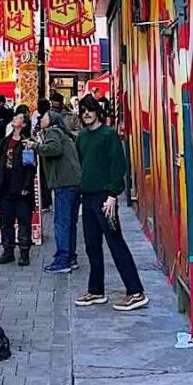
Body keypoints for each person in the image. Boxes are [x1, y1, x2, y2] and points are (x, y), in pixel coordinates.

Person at [73, 97, 148, 311]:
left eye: (90, 110)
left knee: (116, 243)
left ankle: (135, 291)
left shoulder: (109, 135)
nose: (86, 113)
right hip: (87, 198)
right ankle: (96, 291)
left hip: (105, 198)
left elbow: (118, 166)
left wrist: (113, 196)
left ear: (97, 111)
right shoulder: (82, 138)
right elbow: (83, 163)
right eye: (83, 110)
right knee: (92, 246)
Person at [33, 98, 82, 273]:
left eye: (44, 116)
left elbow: (53, 149)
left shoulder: (53, 132)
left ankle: (63, 260)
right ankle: (71, 257)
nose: (41, 118)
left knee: (61, 223)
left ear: (52, 119)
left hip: (64, 183)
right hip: (74, 182)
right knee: (70, 223)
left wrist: (36, 146)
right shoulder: (64, 133)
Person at [0, 112, 36, 266]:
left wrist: (27, 186)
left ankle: (24, 251)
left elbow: (31, 167)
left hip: (21, 189)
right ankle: (8, 250)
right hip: (5, 187)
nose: (15, 119)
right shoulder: (5, 142)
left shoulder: (27, 143)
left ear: (24, 124)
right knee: (6, 222)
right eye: (15, 117)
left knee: (24, 221)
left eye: (19, 118)